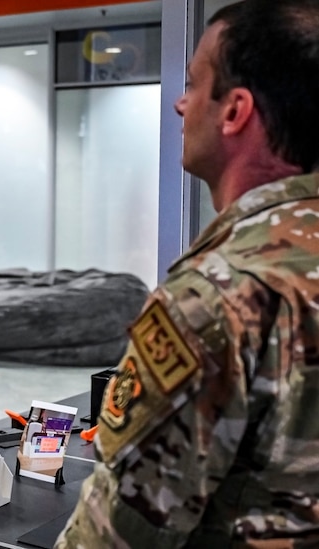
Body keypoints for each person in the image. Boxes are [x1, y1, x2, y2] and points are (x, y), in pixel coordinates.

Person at [56, 0, 319, 546]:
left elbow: (122, 529)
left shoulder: (218, 293)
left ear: (234, 111)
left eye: (195, 83)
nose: (180, 104)